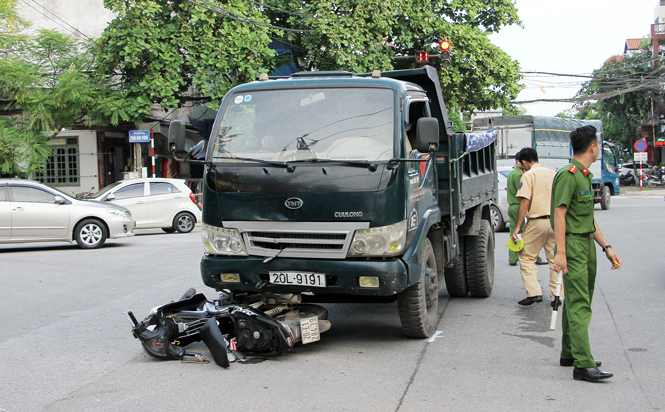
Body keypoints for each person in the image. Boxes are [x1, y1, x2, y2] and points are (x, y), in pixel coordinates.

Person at [551, 125, 621, 383]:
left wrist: (607, 248)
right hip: (573, 246)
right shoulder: (569, 175)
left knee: (578, 301)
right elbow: (559, 213)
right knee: (580, 304)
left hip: (586, 244)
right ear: (593, 147)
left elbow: (588, 220)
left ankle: (570, 353)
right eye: (598, 145)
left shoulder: (583, 175)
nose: (598, 149)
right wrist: (561, 252)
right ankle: (583, 364)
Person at [511, 148, 559, 306]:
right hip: (555, 221)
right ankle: (556, 296)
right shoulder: (553, 174)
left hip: (536, 221)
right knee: (554, 259)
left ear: (524, 162)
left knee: (526, 257)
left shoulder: (528, 175)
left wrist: (518, 226)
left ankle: (534, 293)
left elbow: (524, 201)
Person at [507, 151, 548, 266]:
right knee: (529, 232)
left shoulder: (511, 174)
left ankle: (513, 258)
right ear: (518, 162)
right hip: (519, 205)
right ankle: (536, 257)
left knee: (513, 233)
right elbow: (524, 194)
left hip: (511, 206)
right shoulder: (521, 175)